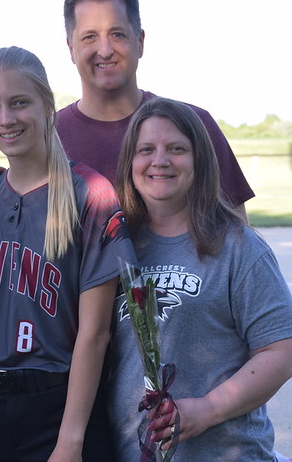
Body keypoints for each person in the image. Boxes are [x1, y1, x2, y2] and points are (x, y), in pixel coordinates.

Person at [0, 46, 136, 462]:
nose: (6, 118)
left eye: (19, 102)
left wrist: (70, 441)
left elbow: (96, 334)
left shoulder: (89, 194)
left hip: (57, 408)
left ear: (48, 106)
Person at [108, 97, 292, 461]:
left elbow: (281, 351)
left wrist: (208, 409)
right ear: (130, 160)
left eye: (176, 149)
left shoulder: (239, 247)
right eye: (146, 149)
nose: (160, 160)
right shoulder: (113, 246)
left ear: (199, 160)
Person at [57, 0, 254, 219]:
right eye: (89, 37)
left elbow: (239, 238)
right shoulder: (47, 138)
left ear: (139, 42)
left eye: (117, 34)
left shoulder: (195, 125)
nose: (105, 50)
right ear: (71, 49)